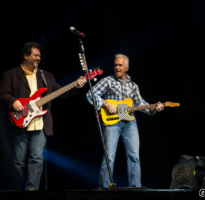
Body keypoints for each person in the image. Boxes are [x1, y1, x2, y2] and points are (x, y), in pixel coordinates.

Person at [0, 42, 87, 190]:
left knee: (37, 158)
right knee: (20, 161)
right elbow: (3, 93)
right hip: (20, 122)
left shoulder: (46, 75)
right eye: (35, 55)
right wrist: (13, 102)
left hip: (40, 123)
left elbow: (60, 91)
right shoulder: (10, 74)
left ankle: (31, 190)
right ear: (25, 56)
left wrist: (75, 86)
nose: (38, 58)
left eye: (39, 55)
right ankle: (21, 189)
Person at [86, 54, 164, 188]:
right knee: (109, 156)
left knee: (134, 155)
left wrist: (155, 108)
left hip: (129, 122)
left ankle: (135, 187)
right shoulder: (107, 81)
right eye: (115, 65)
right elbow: (90, 94)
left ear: (127, 68)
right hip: (111, 122)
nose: (117, 67)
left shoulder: (133, 85)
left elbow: (141, 104)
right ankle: (104, 187)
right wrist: (104, 103)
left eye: (120, 65)